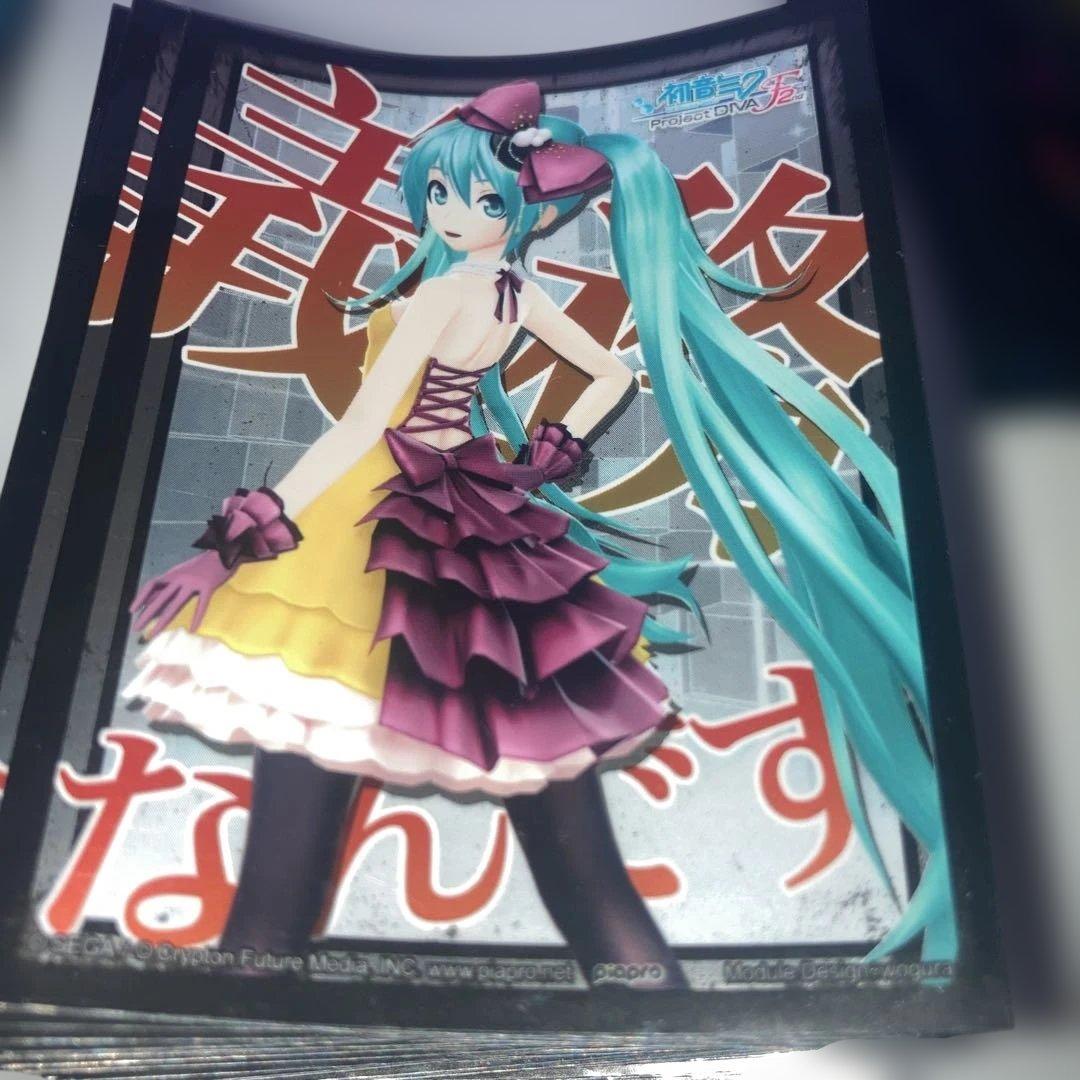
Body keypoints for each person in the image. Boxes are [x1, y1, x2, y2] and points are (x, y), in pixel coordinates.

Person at [125, 80, 955, 985]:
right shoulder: (514, 295)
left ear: (530, 210)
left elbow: (362, 425)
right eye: (438, 193)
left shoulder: (444, 296)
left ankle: (259, 980)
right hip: (470, 517)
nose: (453, 215)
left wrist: (233, 543)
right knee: (557, 822)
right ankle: (653, 1005)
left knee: (295, 831)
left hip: (369, 516)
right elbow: (610, 378)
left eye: (484, 201)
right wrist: (549, 453)